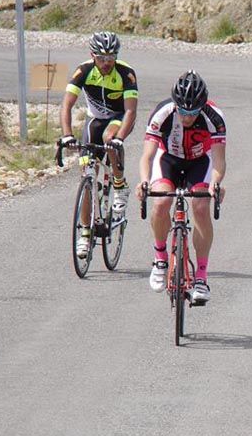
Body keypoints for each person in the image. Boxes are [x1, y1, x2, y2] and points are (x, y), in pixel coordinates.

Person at [135, 71, 226, 303]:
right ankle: (160, 257)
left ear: (201, 106)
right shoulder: (162, 113)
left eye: (192, 112)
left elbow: (218, 160)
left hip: (199, 162)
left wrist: (216, 184)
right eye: (182, 111)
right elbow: (147, 155)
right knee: (161, 200)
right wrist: (144, 181)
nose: (186, 117)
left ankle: (202, 277)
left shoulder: (214, 117)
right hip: (169, 161)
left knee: (201, 207)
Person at [59, 31, 138, 259]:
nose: (106, 63)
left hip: (118, 117)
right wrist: (66, 135)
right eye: (102, 58)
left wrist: (119, 138)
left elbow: (131, 110)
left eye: (111, 57)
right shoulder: (83, 71)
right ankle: (85, 234)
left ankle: (120, 184)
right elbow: (66, 106)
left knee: (108, 139)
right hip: (94, 120)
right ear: (92, 55)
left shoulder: (126, 73)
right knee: (87, 173)